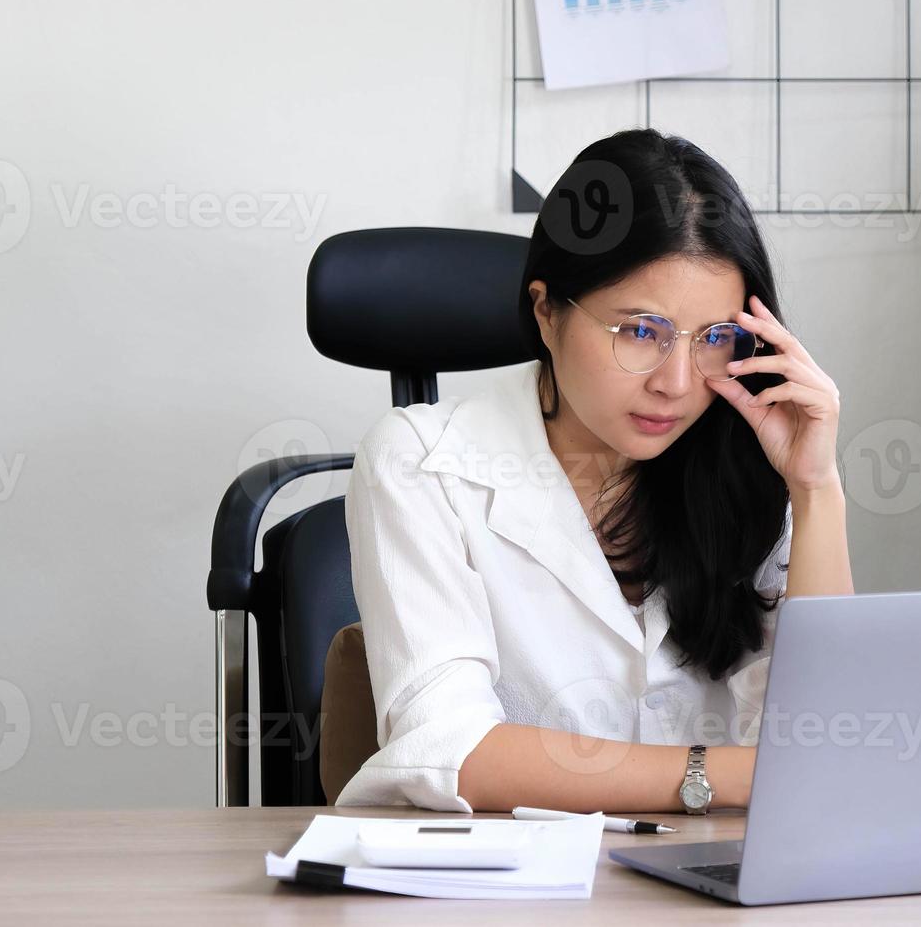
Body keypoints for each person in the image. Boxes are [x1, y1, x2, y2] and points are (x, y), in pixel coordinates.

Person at [335, 128, 854, 814]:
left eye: (714, 340)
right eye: (642, 331)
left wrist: (817, 491)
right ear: (546, 311)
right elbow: (453, 750)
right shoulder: (420, 463)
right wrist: (727, 776)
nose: (677, 382)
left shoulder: (750, 467)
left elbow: (823, 742)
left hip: (711, 888)